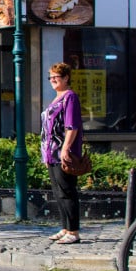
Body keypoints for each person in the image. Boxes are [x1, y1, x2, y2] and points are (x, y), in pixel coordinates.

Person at [41, 62, 84, 244]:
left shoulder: (70, 97)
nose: (52, 80)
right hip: (51, 153)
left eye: (56, 77)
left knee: (67, 191)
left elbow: (71, 126)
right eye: (50, 77)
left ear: (66, 78)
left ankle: (73, 231)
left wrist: (65, 148)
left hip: (62, 152)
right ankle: (65, 227)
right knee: (58, 192)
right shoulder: (56, 99)